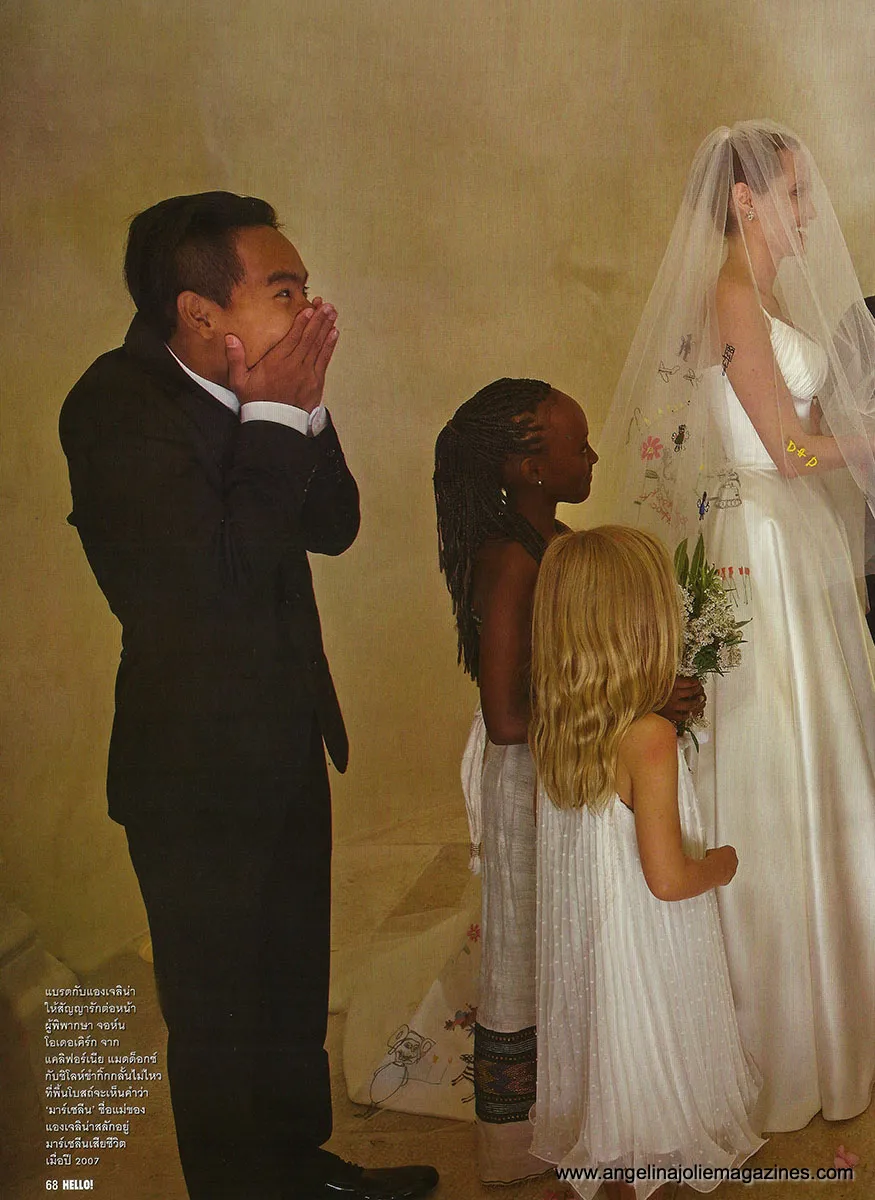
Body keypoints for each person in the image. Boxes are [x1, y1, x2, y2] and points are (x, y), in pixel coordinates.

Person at [59, 192, 438, 1200]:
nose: (310, 309)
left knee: (286, 986)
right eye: (285, 290)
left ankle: (298, 1170)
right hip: (192, 769)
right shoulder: (117, 406)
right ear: (199, 312)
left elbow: (332, 525)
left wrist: (298, 407)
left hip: (283, 741)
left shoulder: (264, 386)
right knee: (219, 1011)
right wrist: (274, 411)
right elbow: (215, 585)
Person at [590, 122, 875, 1132]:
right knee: (776, 756)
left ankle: (835, 1009)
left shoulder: (758, 298)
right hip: (763, 536)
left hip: (784, 534)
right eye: (793, 195)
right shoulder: (730, 295)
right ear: (745, 201)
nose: (809, 212)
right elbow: (787, 451)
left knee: (817, 751)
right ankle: (783, 1035)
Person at [433, 380, 703, 1184]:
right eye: (576, 446)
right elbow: (506, 717)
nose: (590, 456)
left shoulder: (556, 542)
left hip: (568, 762)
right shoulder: (511, 560)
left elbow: (578, 663)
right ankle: (519, 1141)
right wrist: (635, 704)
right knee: (528, 935)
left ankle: (585, 1106)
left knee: (573, 928)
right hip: (529, 776)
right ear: (529, 467)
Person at [529, 526, 764, 1200]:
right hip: (645, 957)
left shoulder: (558, 725)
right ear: (642, 627)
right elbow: (666, 879)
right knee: (649, 1079)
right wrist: (720, 863)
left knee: (614, 1086)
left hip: (595, 955)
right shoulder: (649, 738)